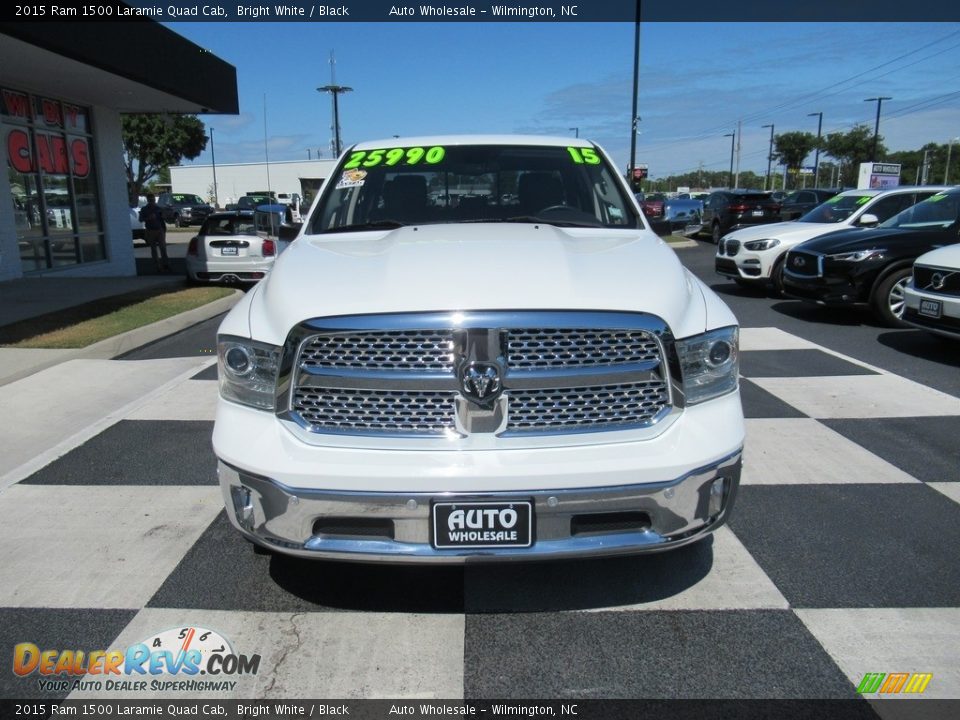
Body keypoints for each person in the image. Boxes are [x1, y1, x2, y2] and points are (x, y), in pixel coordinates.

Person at [139, 193, 170, 272]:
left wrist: (164, 216)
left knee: (163, 247)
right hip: (150, 230)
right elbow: (141, 219)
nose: (152, 201)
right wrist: (148, 218)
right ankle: (157, 266)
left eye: (153, 200)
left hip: (160, 230)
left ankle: (165, 264)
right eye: (150, 200)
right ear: (147, 200)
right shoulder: (144, 209)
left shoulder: (159, 208)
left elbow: (165, 218)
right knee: (153, 249)